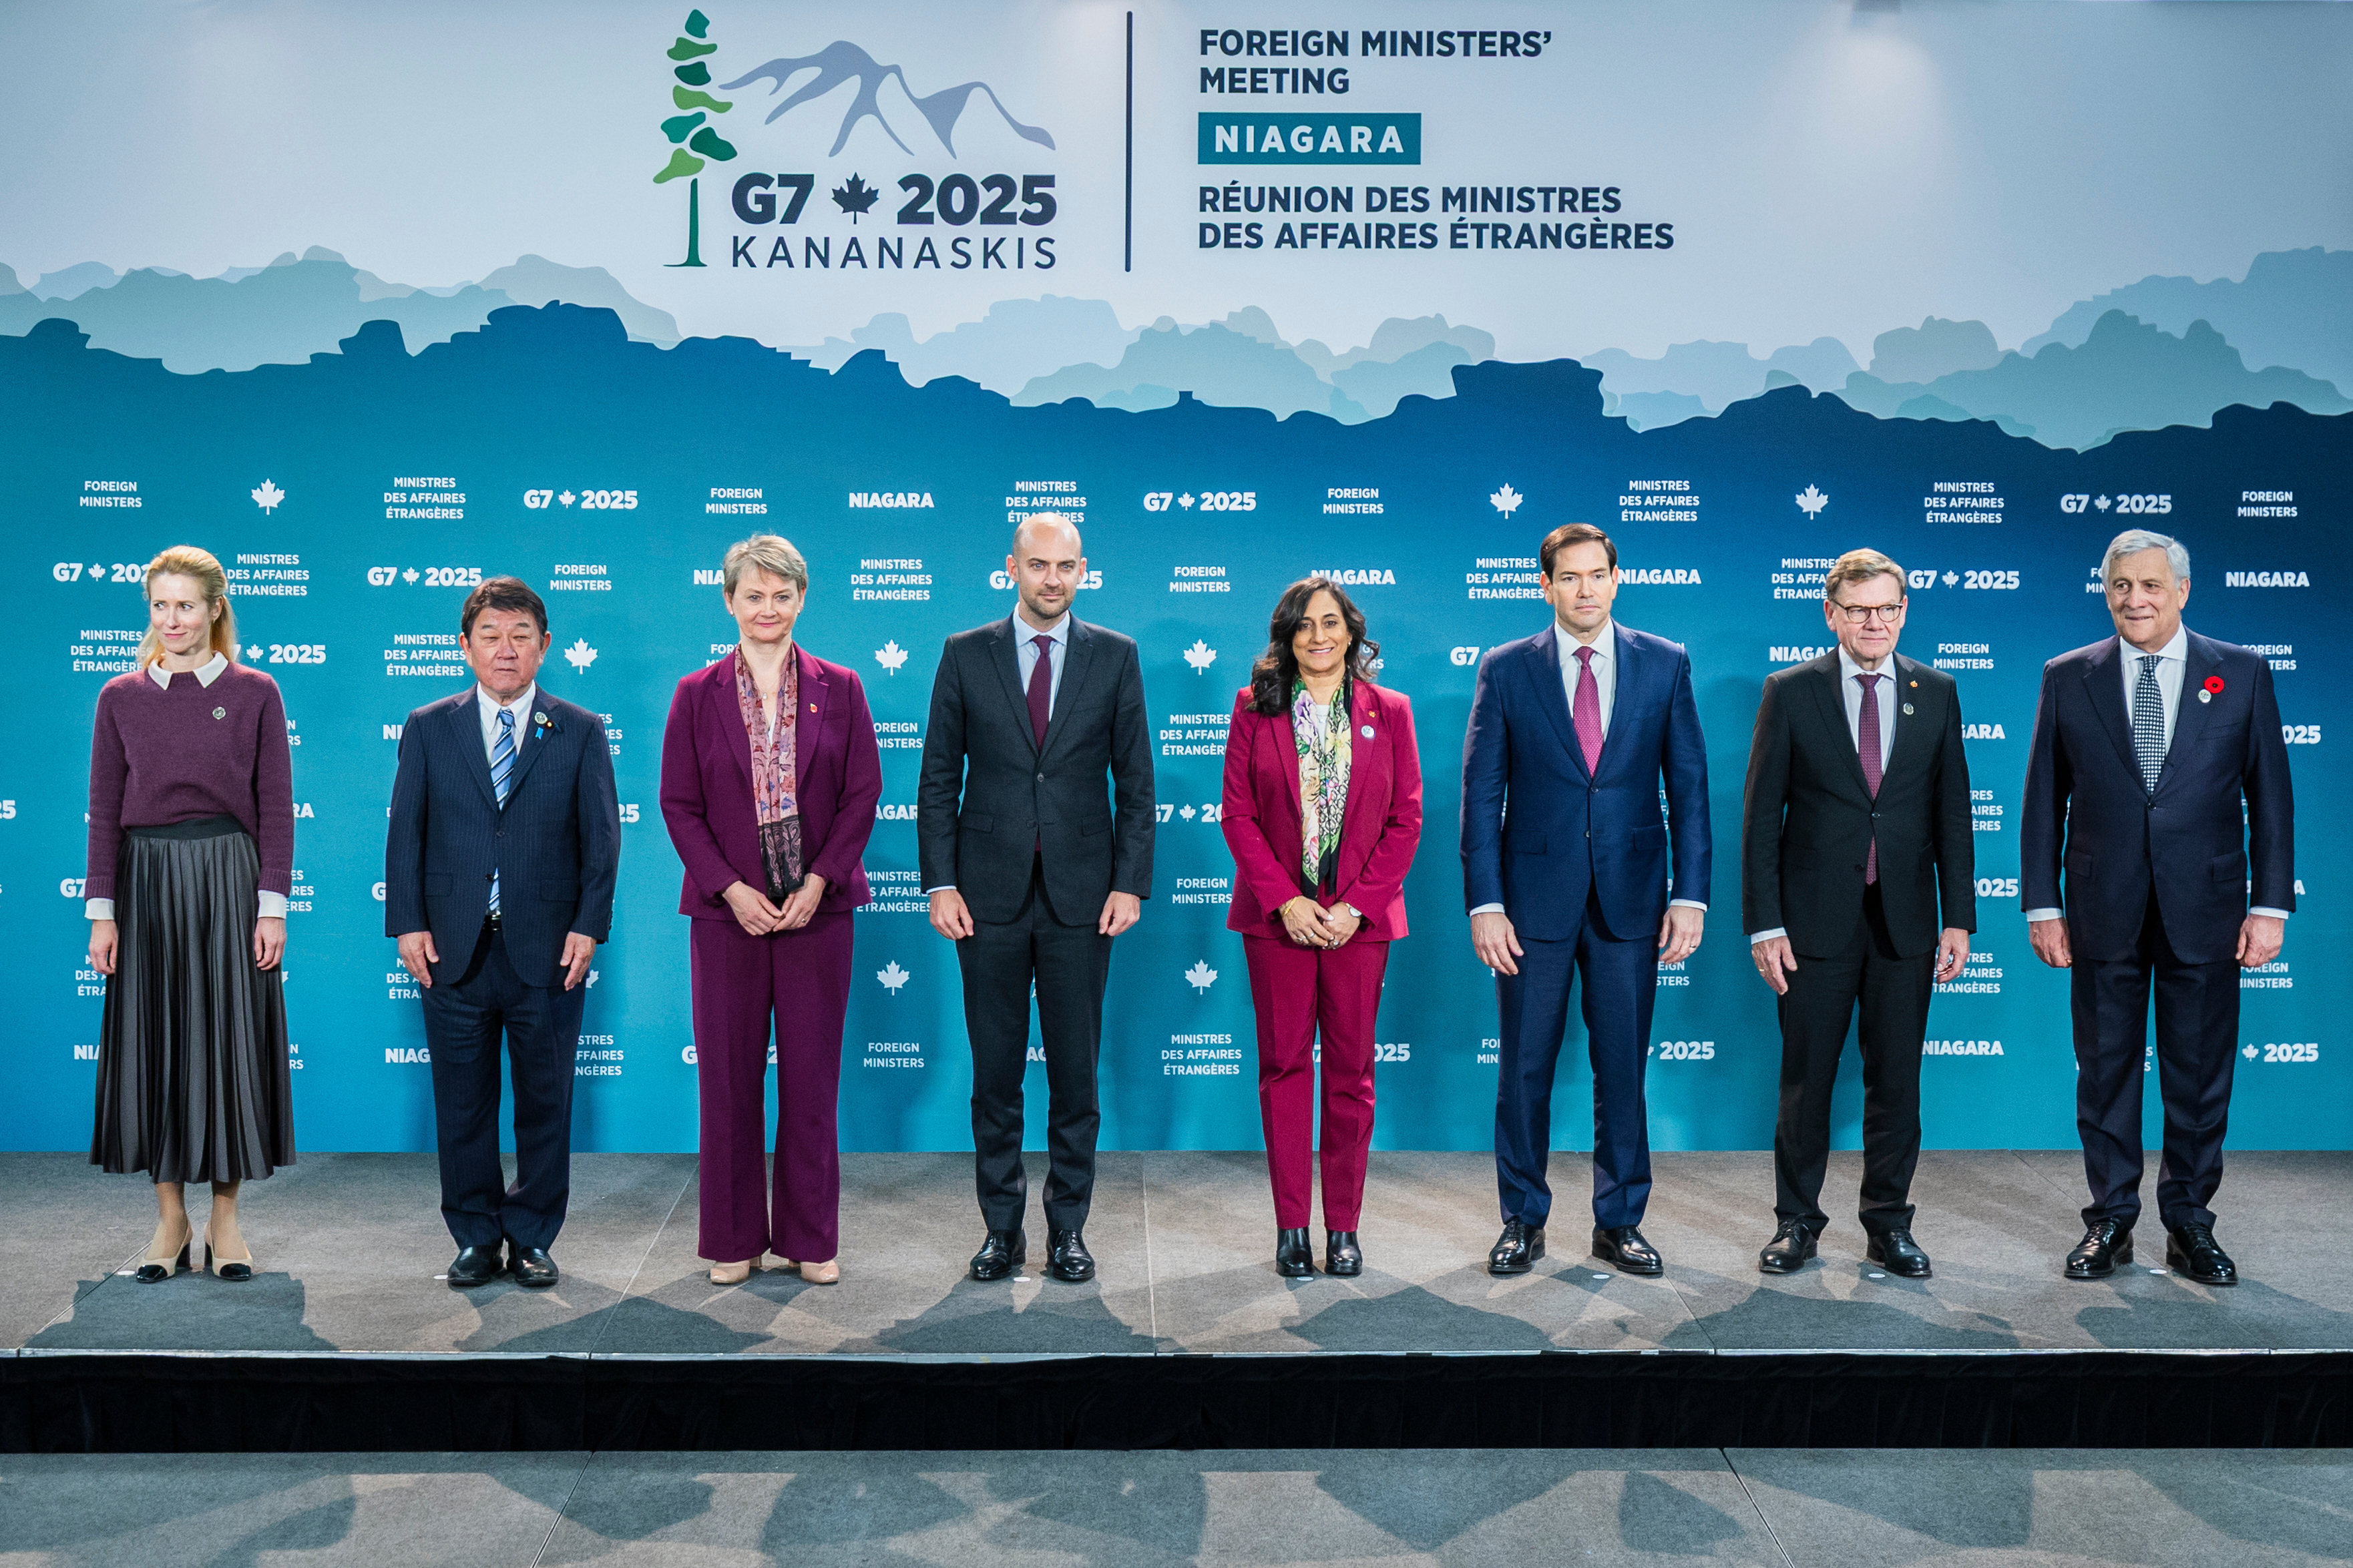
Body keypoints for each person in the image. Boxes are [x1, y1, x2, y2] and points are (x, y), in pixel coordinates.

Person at [2020, 529, 2293, 1287]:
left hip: (2205, 909)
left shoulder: (2238, 672)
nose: (2132, 600)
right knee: (2105, 1073)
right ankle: (2109, 1220)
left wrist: (2268, 907)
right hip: (2099, 907)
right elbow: (2042, 799)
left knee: (2198, 1075)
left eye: (2148, 586)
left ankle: (2188, 1223)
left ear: (2180, 591)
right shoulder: (2066, 675)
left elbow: (2269, 799)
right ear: (2103, 591)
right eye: (2118, 586)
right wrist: (2041, 905)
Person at [1462, 522, 1710, 1278]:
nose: (1584, 589)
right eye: (1567, 578)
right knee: (1524, 1069)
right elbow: (1479, 795)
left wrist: (1690, 895)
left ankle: (1618, 1220)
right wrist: (1485, 904)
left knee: (1621, 1069)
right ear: (1544, 586)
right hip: (1529, 906)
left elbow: (1689, 790)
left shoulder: (1663, 663)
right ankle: (1521, 1220)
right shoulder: (1505, 669)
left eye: (1596, 574)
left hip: (1631, 902)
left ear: (1615, 577)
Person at [917, 513, 1155, 1284]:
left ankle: (1068, 1231)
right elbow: (934, 780)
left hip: (1083, 900)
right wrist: (940, 882)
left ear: (1082, 571)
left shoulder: (1115, 656)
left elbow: (1137, 786)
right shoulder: (963, 653)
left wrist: (1128, 882)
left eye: (1066, 567)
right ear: (1010, 568)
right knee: (994, 1074)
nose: (1052, 579)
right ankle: (1000, 1230)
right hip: (982, 898)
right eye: (1037, 565)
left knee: (1076, 1075)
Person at [1741, 548, 1975, 1279]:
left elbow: (1952, 813)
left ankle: (1887, 1224)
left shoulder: (1935, 690)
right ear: (1830, 614)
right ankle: (1796, 1224)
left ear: (1903, 612)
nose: (1874, 622)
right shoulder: (1790, 690)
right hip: (1810, 924)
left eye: (1887, 608)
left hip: (1905, 922)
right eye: (1858, 610)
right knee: (1805, 1082)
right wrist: (1764, 922)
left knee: (1897, 1082)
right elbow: (1759, 819)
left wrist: (1958, 916)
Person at [385, 577, 620, 1290]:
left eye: (521, 635)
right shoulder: (429, 726)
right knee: (462, 1104)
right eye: (490, 635)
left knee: (547, 1102)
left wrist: (588, 925)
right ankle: (477, 1236)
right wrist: (407, 925)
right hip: (452, 949)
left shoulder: (578, 729)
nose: (506, 649)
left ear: (545, 647)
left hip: (546, 950)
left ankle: (533, 1234)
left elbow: (602, 840)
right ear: (464, 648)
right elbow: (407, 837)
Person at [660, 535, 882, 1287]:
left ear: (801, 600)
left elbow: (862, 795)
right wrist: (729, 887)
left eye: (781, 595)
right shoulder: (696, 694)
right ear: (728, 602)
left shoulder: (841, 687)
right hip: (730, 916)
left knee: (812, 1082)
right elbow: (679, 805)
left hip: (817, 913)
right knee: (726, 1083)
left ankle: (809, 1237)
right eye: (752, 596)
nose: (767, 609)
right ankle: (733, 1239)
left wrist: (821, 880)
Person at [84, 545, 294, 1283]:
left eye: (185, 605)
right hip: (145, 883)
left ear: (215, 611)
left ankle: (225, 1221)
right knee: (157, 1043)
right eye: (159, 607)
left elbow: (275, 809)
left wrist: (273, 907)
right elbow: (104, 810)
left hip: (229, 879)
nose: (172, 620)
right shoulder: (120, 697)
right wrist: (101, 913)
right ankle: (170, 1219)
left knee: (229, 1043)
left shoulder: (255, 691)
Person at [1221, 578, 1424, 1278]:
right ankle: (1291, 1229)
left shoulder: (1388, 711)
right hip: (1279, 923)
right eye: (1303, 625)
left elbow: (1405, 821)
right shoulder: (1254, 708)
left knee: (1349, 1075)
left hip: (1356, 926)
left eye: (1330, 623)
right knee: (1282, 1070)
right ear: (1286, 635)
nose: (1317, 636)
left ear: (1350, 632)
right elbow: (1237, 816)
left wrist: (1353, 906)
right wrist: (1285, 902)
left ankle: (1343, 1227)